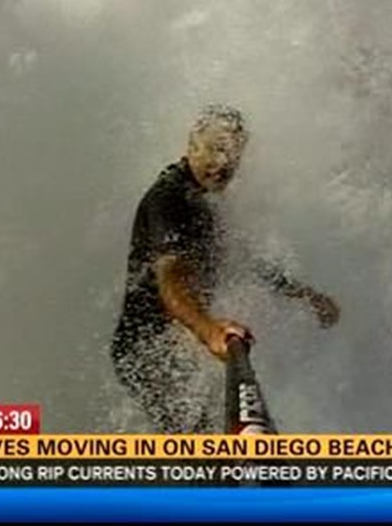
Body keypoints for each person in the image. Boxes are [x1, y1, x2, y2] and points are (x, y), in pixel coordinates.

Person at [110, 104, 341, 434]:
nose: (224, 164)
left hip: (177, 340)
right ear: (191, 146)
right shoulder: (167, 199)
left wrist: (305, 294)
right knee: (198, 442)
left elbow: (244, 259)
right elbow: (170, 279)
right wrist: (209, 331)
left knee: (209, 431)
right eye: (216, 150)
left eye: (233, 156)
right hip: (144, 350)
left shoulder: (205, 202)